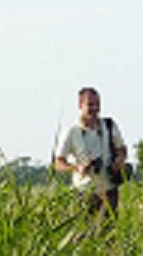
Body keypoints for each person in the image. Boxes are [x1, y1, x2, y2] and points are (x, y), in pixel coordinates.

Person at [53, 87, 128, 217]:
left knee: (108, 232)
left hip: (109, 189)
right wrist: (77, 168)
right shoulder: (71, 132)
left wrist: (118, 162)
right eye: (90, 105)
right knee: (86, 233)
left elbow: (122, 149)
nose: (95, 109)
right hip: (84, 191)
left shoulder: (109, 125)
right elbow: (58, 162)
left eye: (97, 104)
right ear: (80, 105)